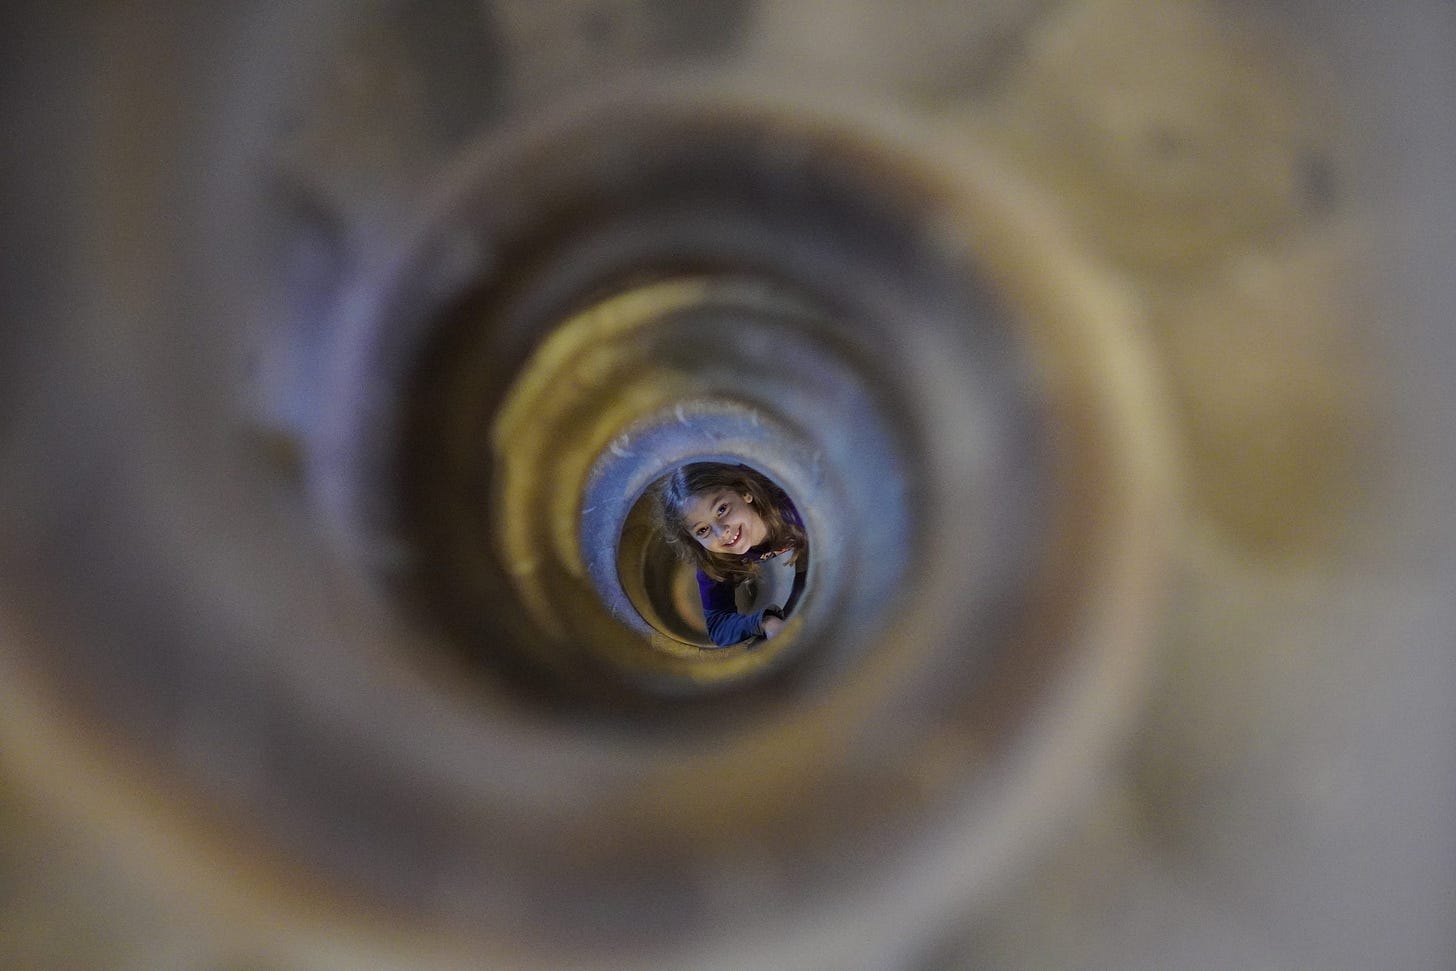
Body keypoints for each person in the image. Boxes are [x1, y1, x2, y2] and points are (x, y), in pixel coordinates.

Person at [656, 462, 809, 648]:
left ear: (745, 493)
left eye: (722, 509)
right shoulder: (713, 560)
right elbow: (718, 626)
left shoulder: (791, 508)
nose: (722, 533)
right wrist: (765, 622)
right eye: (702, 530)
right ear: (693, 540)